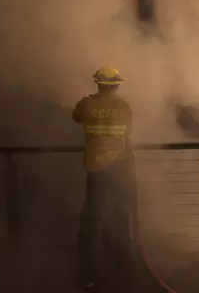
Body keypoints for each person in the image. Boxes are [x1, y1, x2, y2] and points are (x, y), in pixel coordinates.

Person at [72, 65, 137, 289]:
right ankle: (121, 261)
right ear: (117, 85)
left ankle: (87, 263)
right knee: (119, 212)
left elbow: (75, 116)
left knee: (92, 213)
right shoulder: (124, 106)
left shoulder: (87, 104)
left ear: (98, 83)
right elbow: (127, 134)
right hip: (119, 167)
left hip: (95, 167)